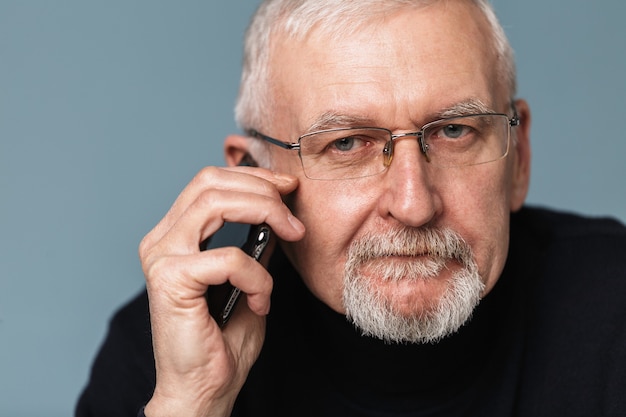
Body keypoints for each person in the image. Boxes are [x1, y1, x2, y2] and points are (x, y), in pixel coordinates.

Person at [76, 0, 626, 416]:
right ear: (253, 178)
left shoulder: (613, 308)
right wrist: (192, 402)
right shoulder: (162, 356)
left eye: (454, 131)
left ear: (519, 158)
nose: (413, 205)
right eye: (345, 144)